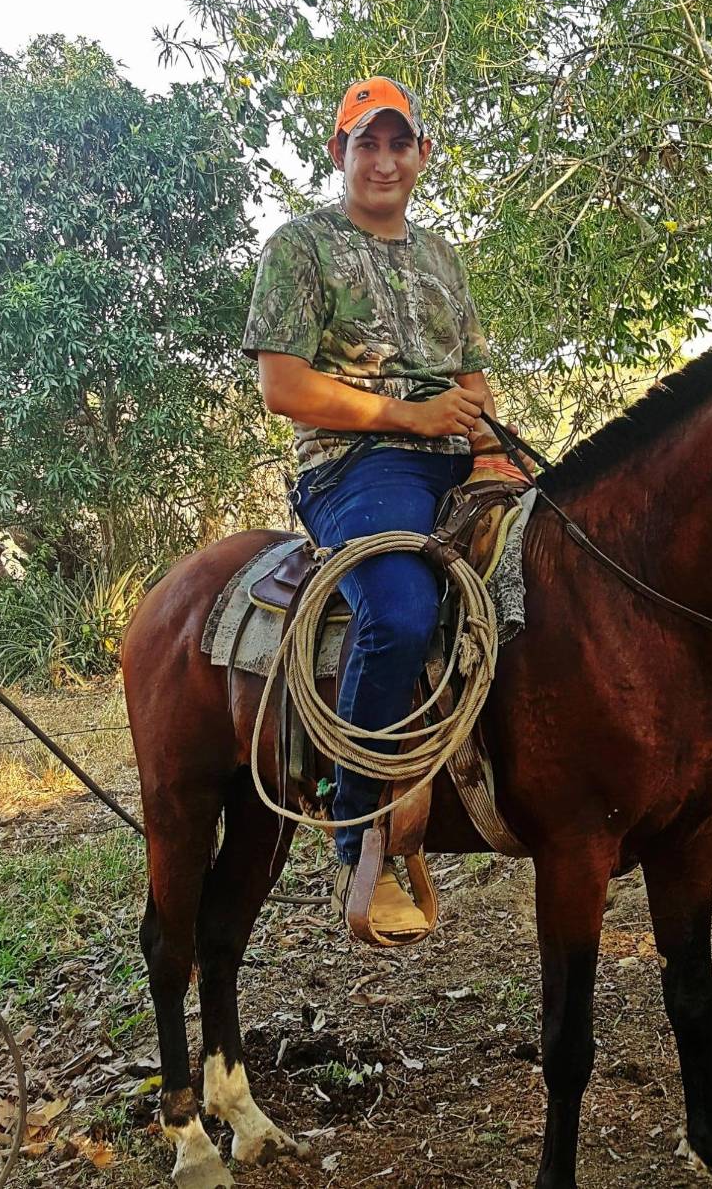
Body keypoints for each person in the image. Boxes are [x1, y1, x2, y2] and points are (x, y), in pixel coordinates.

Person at [241, 76, 509, 937]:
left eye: (400, 144)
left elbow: (471, 375)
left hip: (456, 457)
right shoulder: (300, 247)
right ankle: (360, 834)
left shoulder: (442, 257)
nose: (384, 160)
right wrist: (408, 416)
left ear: (422, 156)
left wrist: (496, 450)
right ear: (340, 155)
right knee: (396, 611)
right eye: (367, 143)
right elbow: (282, 386)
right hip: (353, 466)